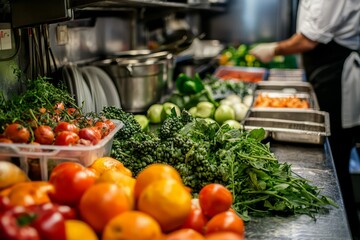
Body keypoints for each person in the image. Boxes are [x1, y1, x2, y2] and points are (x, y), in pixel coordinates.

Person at [250, 0, 360, 239]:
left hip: (337, 76)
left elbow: (309, 39)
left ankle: (347, 226)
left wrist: (274, 49)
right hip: (325, 72)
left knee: (337, 157)